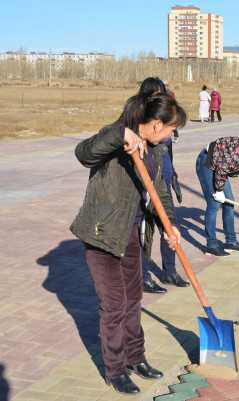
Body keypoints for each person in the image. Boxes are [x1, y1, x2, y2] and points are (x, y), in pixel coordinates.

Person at [70, 90, 187, 394]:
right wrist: (119, 134)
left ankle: (136, 357)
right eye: (172, 129)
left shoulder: (157, 151)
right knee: (115, 305)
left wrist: (169, 225)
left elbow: (159, 191)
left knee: (133, 299)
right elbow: (83, 154)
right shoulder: (115, 139)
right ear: (157, 123)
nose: (172, 135)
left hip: (130, 233)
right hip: (102, 234)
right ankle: (115, 368)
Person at [127, 78, 189, 294]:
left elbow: (167, 153)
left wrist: (172, 176)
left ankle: (169, 270)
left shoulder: (165, 120)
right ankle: (143, 277)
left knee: (169, 225)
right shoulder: (141, 120)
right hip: (146, 183)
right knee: (146, 230)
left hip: (163, 175)